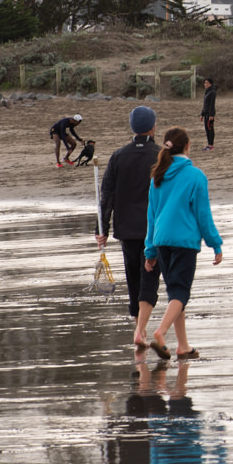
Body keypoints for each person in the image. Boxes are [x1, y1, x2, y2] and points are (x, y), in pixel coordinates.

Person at [142, 127, 222, 361]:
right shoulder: (196, 176)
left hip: (162, 240)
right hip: (184, 241)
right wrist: (215, 244)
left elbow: (152, 216)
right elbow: (202, 215)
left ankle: (183, 346)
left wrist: (150, 250)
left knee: (175, 293)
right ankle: (160, 332)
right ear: (187, 146)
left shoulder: (157, 175)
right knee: (180, 292)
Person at [97, 105, 162, 350]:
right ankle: (140, 330)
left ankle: (139, 327)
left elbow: (106, 196)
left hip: (126, 229)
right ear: (153, 127)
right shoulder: (159, 155)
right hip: (153, 228)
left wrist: (100, 228)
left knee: (134, 278)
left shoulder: (118, 156)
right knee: (149, 278)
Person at [199, 76, 217, 150]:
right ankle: (209, 144)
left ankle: (210, 145)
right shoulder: (207, 91)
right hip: (206, 113)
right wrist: (202, 114)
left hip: (210, 114)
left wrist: (211, 115)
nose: (205, 84)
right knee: (207, 129)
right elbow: (205, 105)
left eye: (206, 83)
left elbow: (212, 104)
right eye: (205, 83)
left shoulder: (212, 92)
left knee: (210, 128)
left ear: (210, 84)